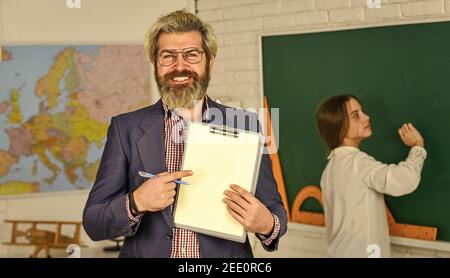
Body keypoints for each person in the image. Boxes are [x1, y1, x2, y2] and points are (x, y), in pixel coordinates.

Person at [82, 9, 287, 258]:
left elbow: (275, 212)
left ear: (210, 60)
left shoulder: (245, 124)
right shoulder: (125, 128)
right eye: (168, 56)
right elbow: (93, 221)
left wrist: (266, 224)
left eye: (191, 55)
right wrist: (136, 202)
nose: (180, 67)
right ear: (155, 62)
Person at [315, 94, 427, 258]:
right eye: (355, 115)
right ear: (338, 126)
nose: (366, 117)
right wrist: (418, 146)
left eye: (362, 111)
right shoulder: (357, 162)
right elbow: (404, 180)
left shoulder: (328, 171)